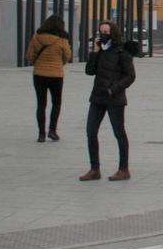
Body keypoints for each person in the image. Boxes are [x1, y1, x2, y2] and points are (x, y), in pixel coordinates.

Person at [80, 21, 135, 182]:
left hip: (115, 99)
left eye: (106, 31)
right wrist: (95, 52)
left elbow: (130, 76)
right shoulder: (100, 51)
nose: (103, 34)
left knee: (119, 133)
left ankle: (123, 169)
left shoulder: (121, 52)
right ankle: (94, 168)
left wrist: (114, 89)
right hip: (97, 97)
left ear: (113, 33)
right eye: (101, 31)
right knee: (91, 132)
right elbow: (89, 71)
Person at [25, 15, 73, 142]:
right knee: (56, 103)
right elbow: (67, 56)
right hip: (56, 75)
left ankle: (41, 134)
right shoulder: (62, 40)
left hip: (39, 75)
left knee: (41, 104)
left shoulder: (36, 38)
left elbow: (29, 56)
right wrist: (59, 63)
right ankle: (52, 130)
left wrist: (38, 62)